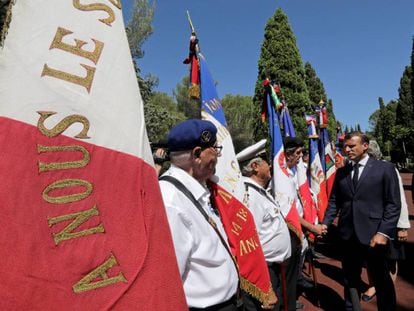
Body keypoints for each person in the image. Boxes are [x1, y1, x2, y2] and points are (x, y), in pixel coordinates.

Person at [159, 119, 239, 310]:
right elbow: (169, 279)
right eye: (214, 150)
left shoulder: (193, 189)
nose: (218, 157)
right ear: (197, 155)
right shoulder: (171, 200)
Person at [322, 131, 401, 311]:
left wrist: (383, 233)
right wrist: (325, 223)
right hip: (348, 235)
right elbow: (335, 201)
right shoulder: (341, 172)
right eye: (345, 147)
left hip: (374, 236)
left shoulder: (385, 169)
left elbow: (393, 204)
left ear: (365, 146)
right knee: (350, 279)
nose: (347, 150)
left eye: (351, 146)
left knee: (381, 280)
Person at [236, 139, 292, 311]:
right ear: (255, 166)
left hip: (273, 269)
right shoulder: (249, 196)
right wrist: (264, 284)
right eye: (267, 161)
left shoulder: (259, 192)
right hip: (263, 272)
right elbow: (250, 243)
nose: (270, 166)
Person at [362, 140, 410, 302]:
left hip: (389, 222)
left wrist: (402, 225)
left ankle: (388, 288)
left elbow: (400, 198)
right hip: (369, 223)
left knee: (390, 258)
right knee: (370, 257)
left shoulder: (388, 169)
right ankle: (373, 284)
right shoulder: (361, 170)